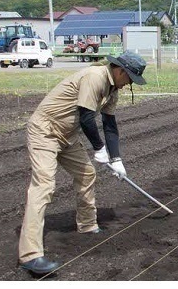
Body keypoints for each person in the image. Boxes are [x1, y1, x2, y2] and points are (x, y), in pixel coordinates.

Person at [18, 51, 147, 275]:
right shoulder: (95, 77)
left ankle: (87, 225)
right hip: (44, 131)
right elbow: (86, 116)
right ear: (120, 71)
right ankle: (30, 256)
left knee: (87, 174)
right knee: (44, 186)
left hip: (67, 135)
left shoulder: (112, 89)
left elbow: (109, 125)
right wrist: (99, 149)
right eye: (129, 79)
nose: (128, 85)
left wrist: (116, 159)